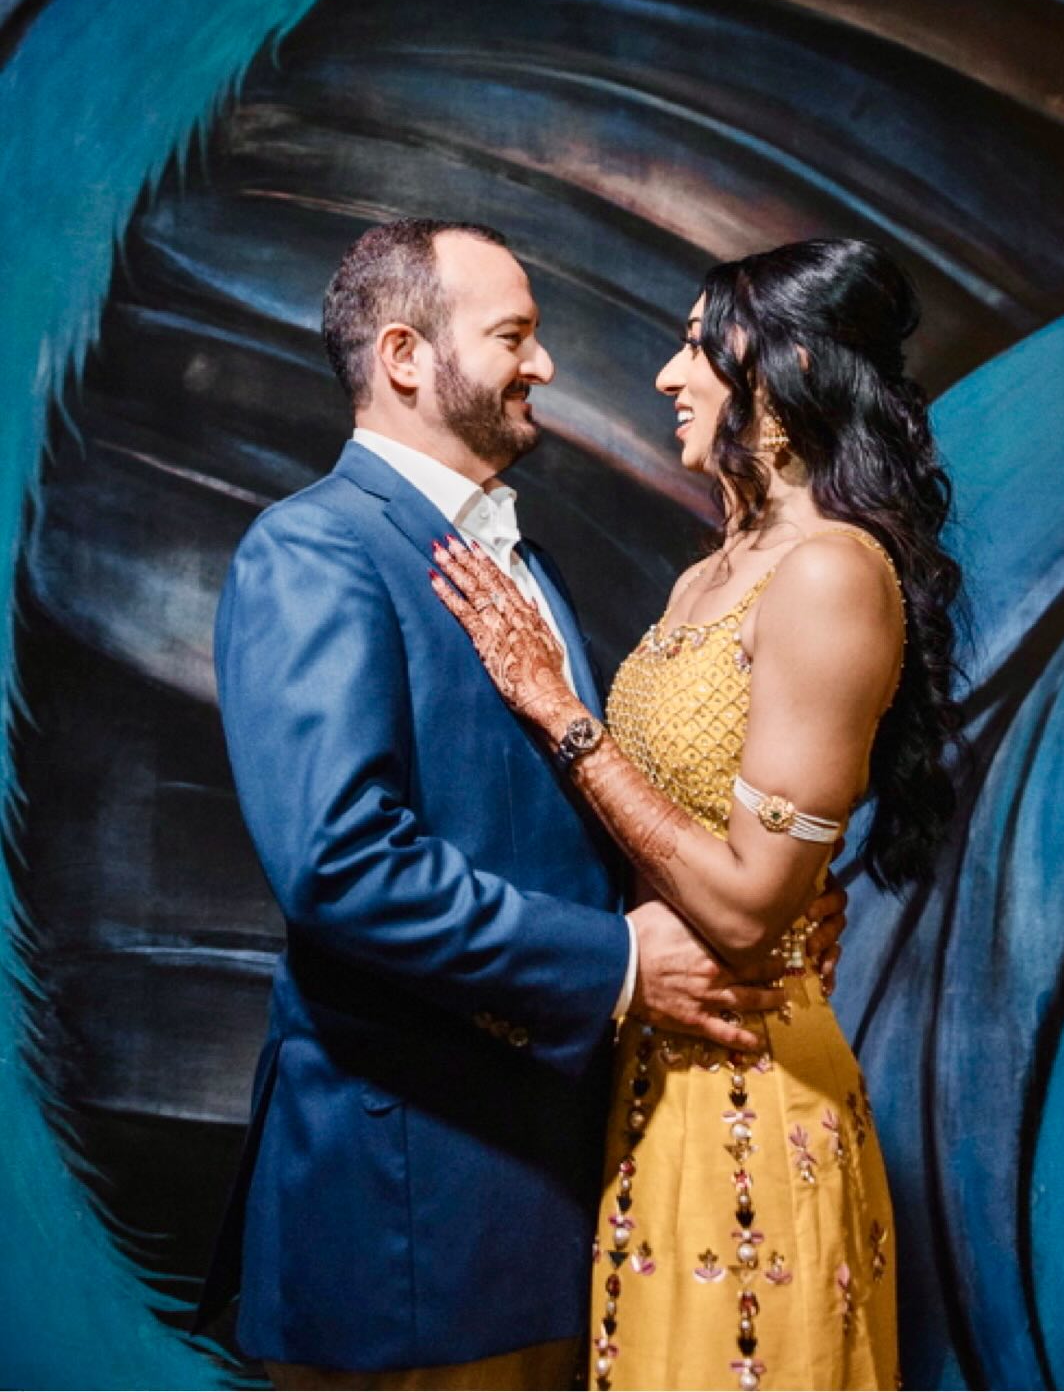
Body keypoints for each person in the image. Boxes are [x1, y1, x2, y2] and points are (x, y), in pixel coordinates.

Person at [193, 218, 847, 1389]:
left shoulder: (522, 563)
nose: (546, 364)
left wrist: (758, 898)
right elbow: (343, 866)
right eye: (515, 336)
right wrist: (621, 960)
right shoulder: (313, 552)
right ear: (404, 357)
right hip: (413, 1222)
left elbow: (559, 821)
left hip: (563, 1191)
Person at [434, 237, 963, 1392]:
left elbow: (744, 903)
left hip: (749, 1092)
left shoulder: (830, 574)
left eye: (695, 345)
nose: (669, 375)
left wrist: (558, 712)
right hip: (652, 1079)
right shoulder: (710, 571)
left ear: (788, 368)